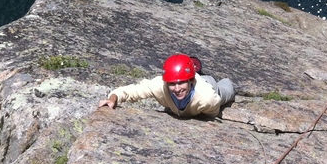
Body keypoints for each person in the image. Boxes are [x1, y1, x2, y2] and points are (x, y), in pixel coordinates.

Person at [98, 54, 236, 118]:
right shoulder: (159, 84)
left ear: (191, 80)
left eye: (181, 82)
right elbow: (131, 91)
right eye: (172, 84)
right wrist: (112, 99)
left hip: (207, 84)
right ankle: (191, 67)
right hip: (192, 81)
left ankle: (202, 73)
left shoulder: (207, 98)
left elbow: (212, 113)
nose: (176, 89)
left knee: (227, 91)